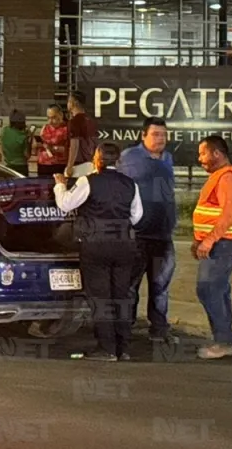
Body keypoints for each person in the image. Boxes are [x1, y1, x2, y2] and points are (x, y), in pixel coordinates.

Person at [53, 141, 143, 361]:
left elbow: (65, 204)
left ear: (97, 159)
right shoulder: (130, 184)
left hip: (96, 245)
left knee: (101, 298)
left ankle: (107, 349)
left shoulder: (87, 181)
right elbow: (137, 216)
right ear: (118, 161)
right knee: (121, 296)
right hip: (124, 245)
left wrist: (60, 185)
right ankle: (124, 348)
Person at [116, 117, 178, 342]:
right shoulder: (128, 158)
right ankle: (125, 328)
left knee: (160, 285)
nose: (161, 139)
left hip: (163, 234)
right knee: (131, 285)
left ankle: (159, 328)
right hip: (137, 235)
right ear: (143, 136)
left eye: (163, 134)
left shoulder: (168, 159)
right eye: (155, 134)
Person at [192, 135, 232, 360]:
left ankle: (224, 341)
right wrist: (200, 239)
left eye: (203, 153)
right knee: (217, 288)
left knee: (208, 288)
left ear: (216, 153)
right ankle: (226, 337)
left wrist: (209, 240)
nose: (200, 159)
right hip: (219, 243)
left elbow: (228, 214)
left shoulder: (227, 178)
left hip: (223, 244)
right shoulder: (220, 176)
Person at [65, 91, 99, 179]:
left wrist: (69, 166)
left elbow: (74, 145)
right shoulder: (91, 121)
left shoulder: (74, 122)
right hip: (90, 163)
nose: (67, 104)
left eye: (69, 101)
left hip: (78, 165)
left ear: (74, 102)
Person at [36, 105, 70, 178]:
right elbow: (40, 143)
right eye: (48, 118)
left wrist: (53, 148)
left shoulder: (67, 129)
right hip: (43, 164)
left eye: (53, 117)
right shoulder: (45, 127)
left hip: (58, 164)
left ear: (61, 115)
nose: (50, 121)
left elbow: (68, 149)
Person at [0, 110, 33, 177]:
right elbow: (27, 155)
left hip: (8, 166)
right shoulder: (23, 137)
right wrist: (30, 139)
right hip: (21, 167)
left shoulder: (5, 131)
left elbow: (2, 147)